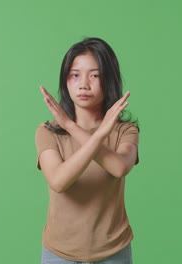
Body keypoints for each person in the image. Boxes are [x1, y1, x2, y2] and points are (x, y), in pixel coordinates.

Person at [35, 37, 139, 264]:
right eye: (75, 75)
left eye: (94, 75)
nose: (83, 83)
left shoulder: (125, 131)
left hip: (114, 251)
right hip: (59, 253)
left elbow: (119, 167)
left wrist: (74, 127)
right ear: (65, 80)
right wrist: (79, 130)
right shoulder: (48, 132)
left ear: (109, 80)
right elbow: (59, 181)